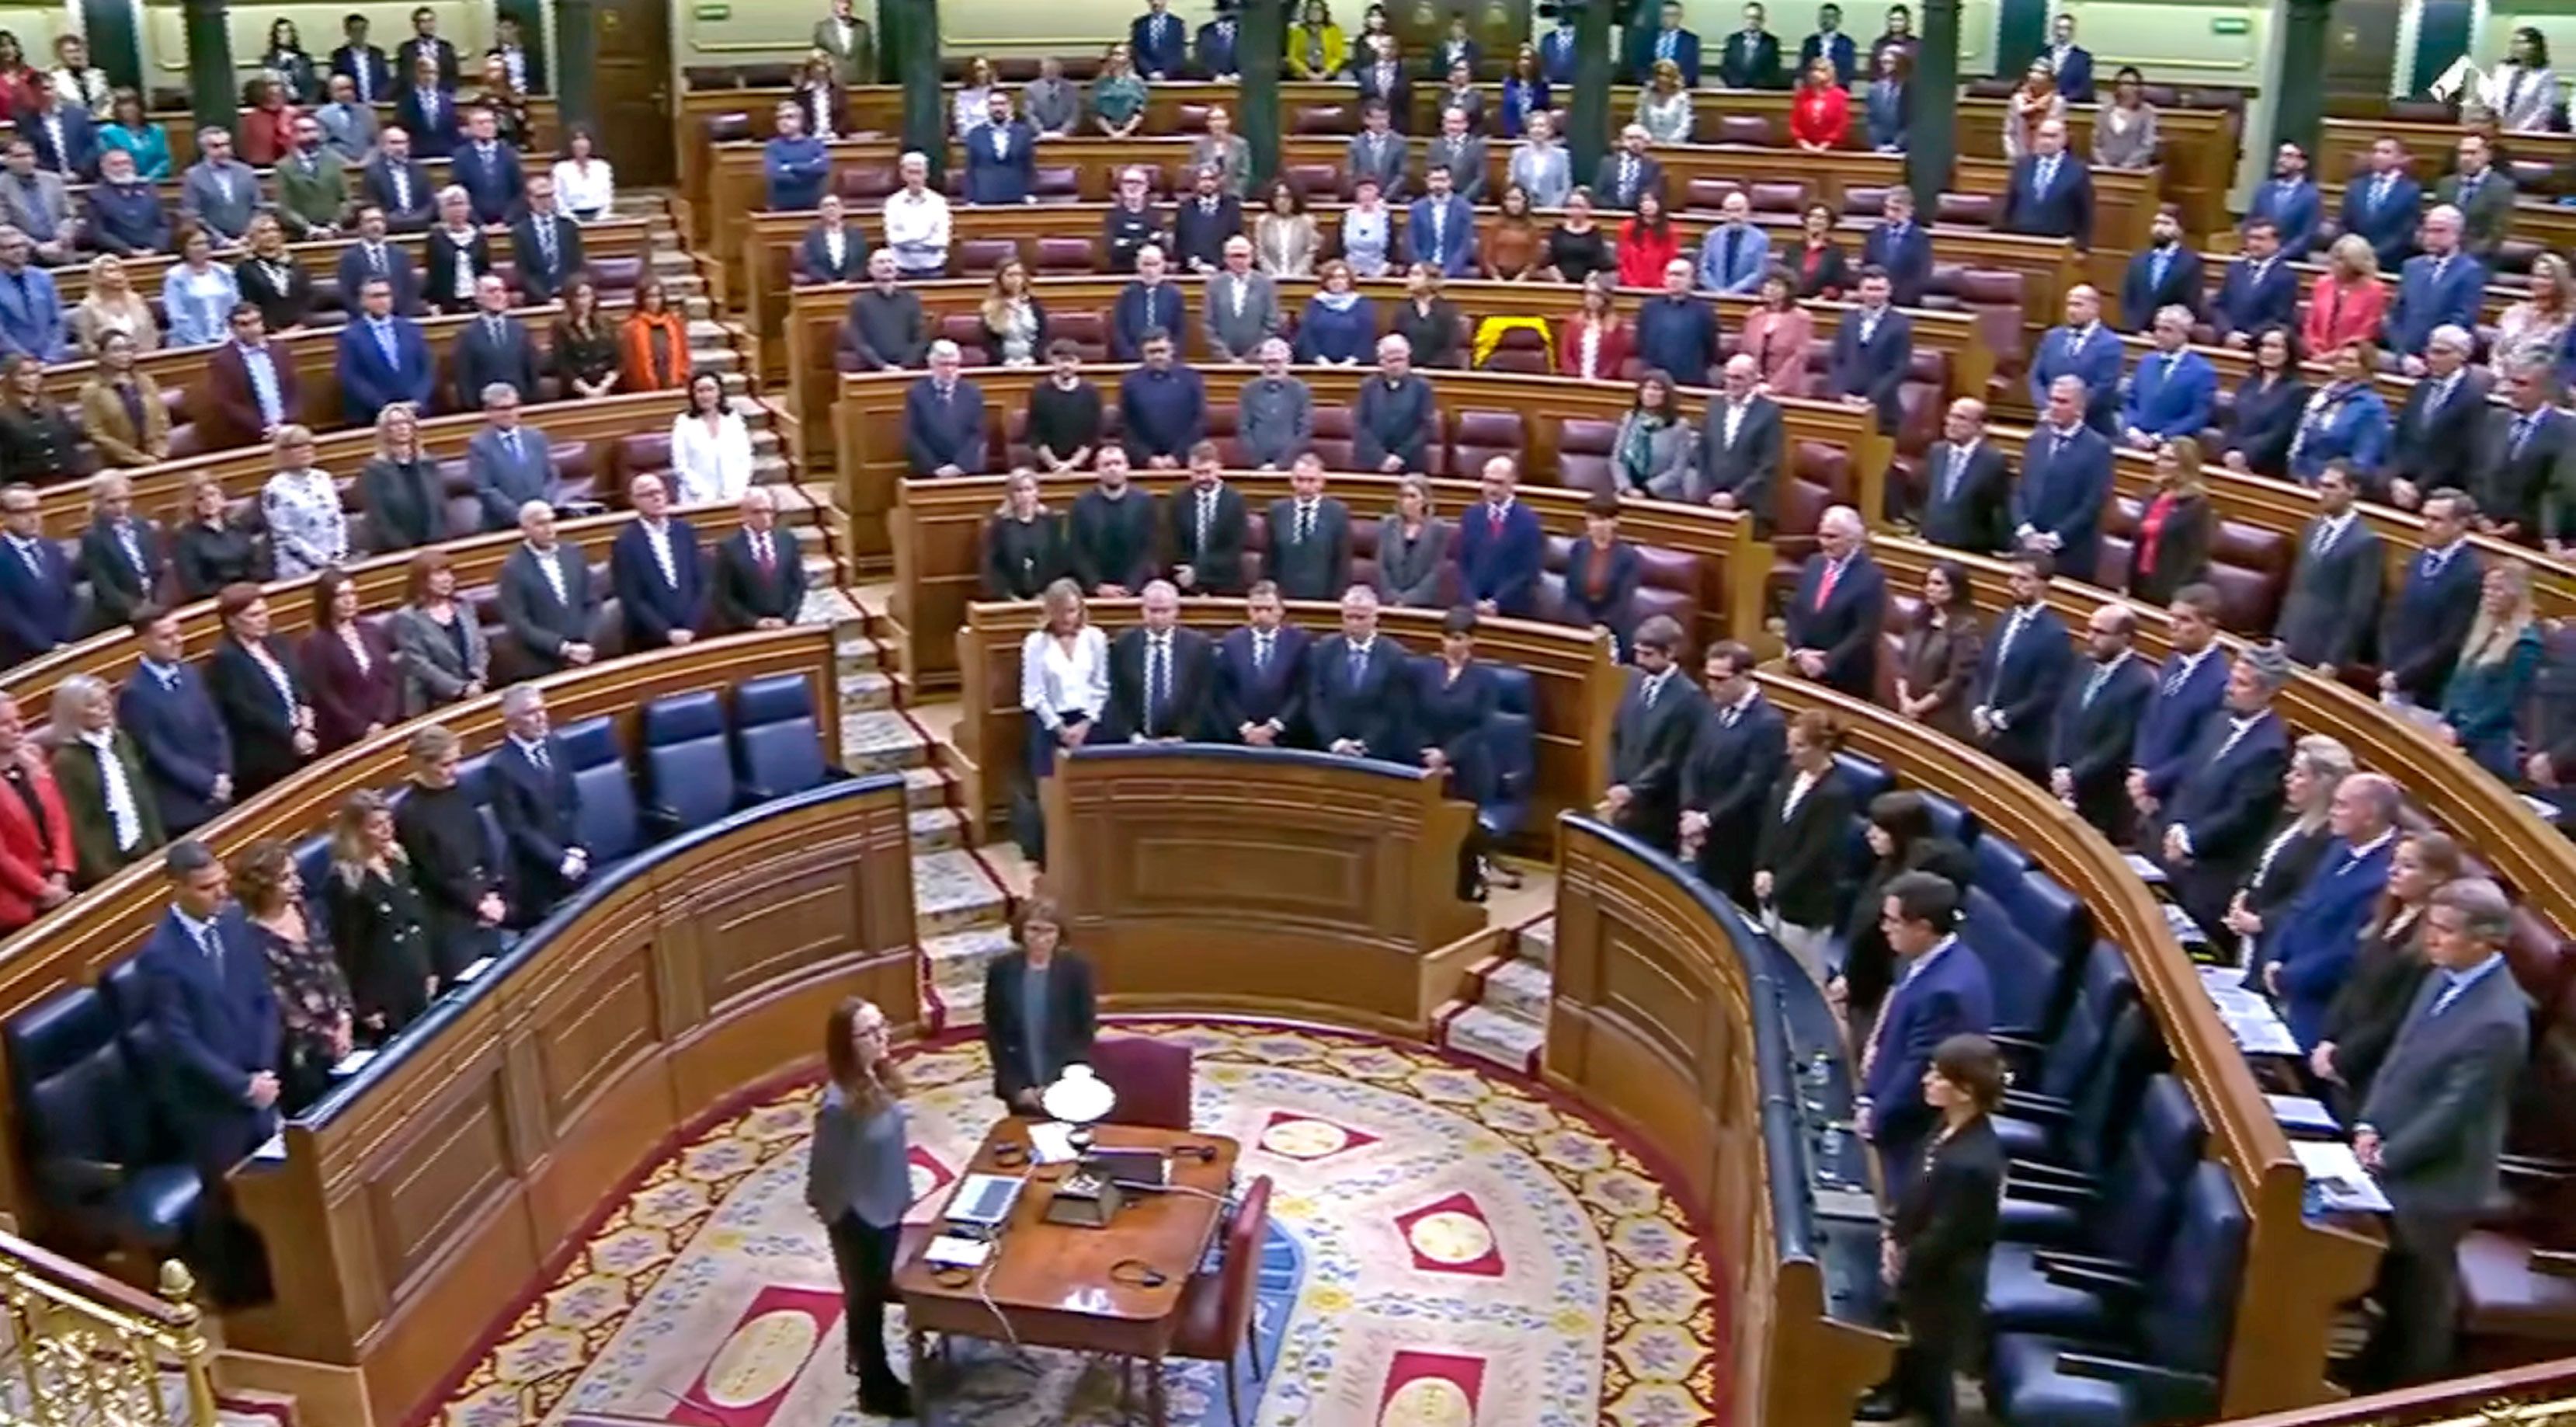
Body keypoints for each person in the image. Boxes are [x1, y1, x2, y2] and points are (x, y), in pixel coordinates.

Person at [2352, 877, 2529, 1389]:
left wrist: (2389, 1154)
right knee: (2389, 1286)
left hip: (2440, 1180)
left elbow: (2454, 1111)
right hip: (2395, 1151)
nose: (2430, 937)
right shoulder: (2442, 976)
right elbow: (2400, 1055)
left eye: (2445, 930)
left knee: (2420, 1301)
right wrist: (2369, 1122)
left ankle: (2414, 1398)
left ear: (2486, 940)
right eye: (2431, 924)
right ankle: (2369, 1377)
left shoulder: (2500, 1020)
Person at [1869, 1032, 2007, 1427]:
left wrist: (1905, 1262)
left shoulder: (1975, 1163)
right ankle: (1896, 1392)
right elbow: (1917, 1187)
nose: (1926, 1080)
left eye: (1938, 1076)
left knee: (1932, 1357)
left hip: (1946, 1280)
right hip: (1921, 1258)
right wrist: (1895, 1235)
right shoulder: (1945, 1126)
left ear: (1965, 1091)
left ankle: (1917, 1406)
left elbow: (1948, 1235)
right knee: (1907, 1334)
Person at [134, 839, 282, 1178]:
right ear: (177, 889)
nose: (221, 893)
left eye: (222, 882)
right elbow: (177, 1040)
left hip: (262, 1088)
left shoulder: (234, 920)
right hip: (213, 1107)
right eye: (206, 888)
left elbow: (263, 997)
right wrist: (242, 1086)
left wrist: (264, 1070)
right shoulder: (160, 956)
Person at [803, 997, 918, 1422]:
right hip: (859, 1219)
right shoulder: (836, 1108)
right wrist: (843, 1221)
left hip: (889, 1203)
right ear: (846, 1044)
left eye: (882, 1026)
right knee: (865, 1303)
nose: (882, 1036)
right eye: (869, 1032)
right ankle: (874, 1385)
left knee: (878, 1289)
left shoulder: (879, 1077)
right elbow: (823, 1174)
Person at [2311, 831, 2461, 1119]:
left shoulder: (2431, 943)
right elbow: (2353, 982)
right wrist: (2329, 1038)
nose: (2393, 871)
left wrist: (2343, 1059)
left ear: (2437, 877)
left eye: (2408, 866)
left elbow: (2396, 1018)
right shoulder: (2388, 914)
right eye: (2394, 862)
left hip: (2364, 1072)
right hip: (2338, 1048)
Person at [2157, 646, 2296, 945]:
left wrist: (2190, 841)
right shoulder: (2218, 721)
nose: (2230, 688)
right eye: (2232, 679)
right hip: (2176, 854)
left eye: (2242, 684)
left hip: (2213, 874)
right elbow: (2190, 777)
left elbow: (2242, 815)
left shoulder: (2271, 748)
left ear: (2267, 692)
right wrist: (2177, 829)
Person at [2267, 772, 2404, 1049]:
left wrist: (2289, 977)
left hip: (2315, 1005)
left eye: (2342, 805)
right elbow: (2302, 904)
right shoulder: (2340, 845)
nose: (2331, 811)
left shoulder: (2387, 873)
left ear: (2370, 815)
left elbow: (2348, 950)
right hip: (2282, 979)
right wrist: (2275, 957)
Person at [1832, 792, 1973, 1049]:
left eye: (1881, 829)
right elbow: (1863, 919)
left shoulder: (1921, 878)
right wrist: (1848, 973)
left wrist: (1851, 979)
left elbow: (1877, 934)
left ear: (1902, 832)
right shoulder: (1889, 863)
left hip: (1884, 982)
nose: (1870, 834)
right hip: (1866, 975)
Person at [231, 837, 355, 1112]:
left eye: (295, 874)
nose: (297, 883)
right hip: (301, 1056)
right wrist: (328, 1036)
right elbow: (284, 1007)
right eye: (286, 879)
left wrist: (344, 1016)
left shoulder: (302, 909)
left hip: (342, 1033)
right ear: (263, 888)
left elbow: (330, 964)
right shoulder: (251, 940)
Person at [388, 723, 505, 983]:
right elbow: (434, 874)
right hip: (451, 921)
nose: (454, 770)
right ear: (423, 764)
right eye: (445, 764)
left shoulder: (458, 791)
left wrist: (491, 892)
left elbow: (482, 842)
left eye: (456, 762)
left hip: (485, 904)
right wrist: (477, 903)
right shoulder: (410, 813)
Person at [1753, 709, 1858, 983]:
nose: (1790, 752)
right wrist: (1763, 868)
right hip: (1773, 891)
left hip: (1804, 902)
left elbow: (1815, 853)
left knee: (1801, 976)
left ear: (1823, 747)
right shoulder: (1791, 772)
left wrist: (1777, 885)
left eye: (1799, 746)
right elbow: (1772, 824)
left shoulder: (1835, 793)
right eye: (1790, 744)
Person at [1597, 614, 1704, 851]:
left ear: (1670, 652)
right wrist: (1615, 782)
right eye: (1638, 652)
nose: (1640, 660)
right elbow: (1617, 733)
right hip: (1624, 800)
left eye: (1648, 654)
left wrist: (1633, 790)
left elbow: (1671, 759)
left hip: (1657, 809)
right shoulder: (1635, 680)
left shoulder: (1689, 697)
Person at [983, 896, 1097, 1115]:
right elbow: (995, 1032)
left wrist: (1062, 1084)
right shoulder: (1001, 969)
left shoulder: (1076, 970)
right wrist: (1017, 1088)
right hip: (1019, 1083)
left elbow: (1084, 1031)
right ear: (1021, 931)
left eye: (1049, 931)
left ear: (1059, 934)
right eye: (1033, 929)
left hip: (1064, 1083)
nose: (1041, 938)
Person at [1969, 552, 2075, 785]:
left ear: (2044, 585)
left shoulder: (2055, 634)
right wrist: (1979, 707)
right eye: (2013, 577)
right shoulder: (2006, 618)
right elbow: (1986, 668)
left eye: (2023, 579)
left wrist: (2002, 718)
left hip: (2022, 745)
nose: (2014, 584)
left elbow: (2047, 693)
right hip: (1988, 735)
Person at [50, 673, 165, 886]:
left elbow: (142, 794)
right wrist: (104, 873)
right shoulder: (67, 761)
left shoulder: (120, 740)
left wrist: (159, 844)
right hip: (109, 864)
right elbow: (79, 825)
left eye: (106, 700)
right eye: (93, 705)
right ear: (73, 713)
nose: (105, 708)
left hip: (145, 847)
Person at [488, 682, 589, 919]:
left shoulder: (555, 745)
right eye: (530, 713)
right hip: (536, 879)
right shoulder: (500, 767)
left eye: (542, 709)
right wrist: (559, 860)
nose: (540, 718)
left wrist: (577, 848)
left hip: (574, 862)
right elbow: (517, 828)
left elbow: (572, 801)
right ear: (511, 722)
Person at [207, 584, 317, 796]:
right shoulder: (225, 660)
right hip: (265, 759)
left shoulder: (277, 641)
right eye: (254, 615)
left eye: (264, 612)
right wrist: (292, 734)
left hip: (302, 741)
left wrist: (305, 712)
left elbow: (297, 681)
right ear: (232, 621)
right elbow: (249, 712)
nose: (263, 619)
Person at [2275, 463, 2383, 673]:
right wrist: (2281, 635)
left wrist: (2334, 659)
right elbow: (2297, 586)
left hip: (2324, 651)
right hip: (2293, 640)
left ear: (2353, 491)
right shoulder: (2312, 528)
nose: (2323, 491)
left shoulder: (2365, 542)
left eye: (2331, 486)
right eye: (2321, 485)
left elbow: (2359, 608)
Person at [2380, 490, 2484, 709]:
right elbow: (2397, 614)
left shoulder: (2469, 573)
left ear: (2460, 524)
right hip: (2394, 676)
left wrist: (2404, 677)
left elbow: (2451, 642)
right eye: (2425, 517)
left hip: (2427, 693)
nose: (2426, 525)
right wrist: (2389, 664)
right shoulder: (2420, 558)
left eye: (2436, 520)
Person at [2439, 561, 2542, 779]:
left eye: (2498, 589)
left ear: (2516, 595)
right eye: (2486, 588)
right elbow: (2459, 680)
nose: (2489, 595)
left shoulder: (2526, 644)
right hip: (2457, 733)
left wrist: (2462, 735)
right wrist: (2447, 719)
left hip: (2490, 748)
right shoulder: (2485, 633)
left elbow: (2507, 705)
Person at [2013, 375, 2115, 581]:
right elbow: (2020, 491)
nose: (2053, 406)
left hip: (2070, 554)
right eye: (2051, 399)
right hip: (2027, 547)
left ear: (2080, 407)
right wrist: (2026, 531)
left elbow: (2092, 503)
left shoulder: (2098, 447)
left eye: (2062, 401)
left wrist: (2054, 539)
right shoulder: (2038, 439)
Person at [1785, 506, 1884, 696]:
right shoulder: (1814, 563)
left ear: (1853, 538)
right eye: (1822, 536)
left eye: (1832, 537)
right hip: (1802, 664)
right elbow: (1795, 610)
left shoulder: (1871, 576)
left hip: (1843, 676)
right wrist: (1799, 652)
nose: (1825, 543)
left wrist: (1827, 662)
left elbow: (1865, 631)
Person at [301, 568, 397, 753]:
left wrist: (383, 720)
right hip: (346, 738)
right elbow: (325, 696)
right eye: (341, 596)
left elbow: (389, 678)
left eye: (352, 593)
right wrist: (361, 729)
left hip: (385, 726)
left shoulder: (371, 630)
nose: (349, 600)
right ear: (327, 601)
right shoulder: (315, 643)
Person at [1310, 584, 1410, 757]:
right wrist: (1334, 741)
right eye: (1349, 617)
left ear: (1375, 618)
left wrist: (1365, 743)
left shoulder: (1393, 655)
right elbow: (1315, 700)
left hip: (1375, 751)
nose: (1354, 623)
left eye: (1361, 618)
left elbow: (1395, 707)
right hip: (1328, 748)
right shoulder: (1325, 649)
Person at [498, 501, 598, 672]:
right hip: (544, 662)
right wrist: (563, 648)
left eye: (551, 521)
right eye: (540, 524)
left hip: (586, 651)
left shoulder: (573, 553)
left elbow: (592, 602)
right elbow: (518, 623)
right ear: (524, 529)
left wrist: (587, 641)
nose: (549, 528)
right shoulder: (513, 569)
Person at [610, 474, 707, 653]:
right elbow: (632, 598)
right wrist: (667, 633)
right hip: (650, 642)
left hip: (693, 634)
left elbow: (701, 584)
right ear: (634, 501)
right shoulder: (625, 543)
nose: (657, 498)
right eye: (648, 494)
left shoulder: (684, 532)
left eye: (660, 492)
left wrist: (691, 626)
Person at [389, 550, 490, 716]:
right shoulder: (408, 618)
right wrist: (460, 689)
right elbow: (420, 664)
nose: (448, 579)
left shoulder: (464, 606)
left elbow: (480, 646)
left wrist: (478, 679)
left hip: (476, 690)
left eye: (449, 573)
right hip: (434, 703)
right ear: (422, 580)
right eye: (439, 574)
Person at [0, 691, 69, 931]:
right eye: (5, 724)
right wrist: (43, 890)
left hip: (59, 883)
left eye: (18, 719)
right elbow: (2, 857)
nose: (18, 728)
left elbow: (59, 822)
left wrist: (61, 872)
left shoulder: (33, 763)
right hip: (15, 904)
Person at [2385, 207, 2487, 367]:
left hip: (2441, 359)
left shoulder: (2470, 271)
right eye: (2427, 231)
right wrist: (2402, 355)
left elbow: (2462, 320)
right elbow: (2396, 316)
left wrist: (2432, 356)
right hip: (2407, 358)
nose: (2431, 237)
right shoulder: (2411, 266)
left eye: (2439, 231)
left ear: (2457, 234)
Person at [1896, 559, 1981, 743]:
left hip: (1941, 719)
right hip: (1907, 706)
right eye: (1928, 582)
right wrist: (1904, 699)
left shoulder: (1966, 628)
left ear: (1956, 589)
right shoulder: (1918, 619)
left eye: (1938, 583)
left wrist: (1919, 707)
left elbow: (1956, 680)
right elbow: (1902, 662)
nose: (1930, 588)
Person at [2126, 437, 2214, 604]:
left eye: (2169, 459)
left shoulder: (2196, 504)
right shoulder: (2152, 496)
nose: (2160, 463)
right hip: (2141, 582)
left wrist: (2179, 598)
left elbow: (2195, 558)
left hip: (2171, 591)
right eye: (2159, 458)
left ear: (2186, 464)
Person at [336, 276, 434, 426]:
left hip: (416, 411)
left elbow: (427, 368)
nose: (382, 301)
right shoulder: (351, 336)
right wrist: (386, 408)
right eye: (376, 296)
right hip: (374, 416)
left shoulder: (411, 329)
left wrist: (418, 400)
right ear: (363, 301)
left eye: (386, 295)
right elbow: (351, 377)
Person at [1458, 458, 1542, 619]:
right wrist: (1473, 601)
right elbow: (1462, 564)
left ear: (1513, 482)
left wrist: (1497, 603)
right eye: (1487, 481)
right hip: (1472, 608)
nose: (1492, 489)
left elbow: (1528, 572)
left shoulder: (1528, 520)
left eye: (1498, 483)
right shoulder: (1471, 516)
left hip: (1511, 611)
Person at [1828, 268, 1910, 434]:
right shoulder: (1848, 319)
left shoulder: (1900, 323)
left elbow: (1899, 367)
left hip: (1883, 408)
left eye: (1879, 289)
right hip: (1845, 403)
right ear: (1860, 291)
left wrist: (1870, 398)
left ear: (1889, 291)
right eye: (1869, 289)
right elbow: (1836, 360)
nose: (1874, 294)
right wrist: (1842, 393)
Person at [714, 486, 807, 632]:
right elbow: (723, 596)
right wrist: (754, 622)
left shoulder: (787, 540)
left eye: (769, 511)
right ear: (744, 514)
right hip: (747, 630)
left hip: (785, 626)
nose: (765, 517)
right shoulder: (729, 548)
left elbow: (798, 584)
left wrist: (787, 618)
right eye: (757, 512)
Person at [2223, 327, 2311, 479]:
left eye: (2274, 346)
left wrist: (2245, 455)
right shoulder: (2248, 383)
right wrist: (2230, 450)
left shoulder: (2297, 390)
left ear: (2289, 352)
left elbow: (2280, 434)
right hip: (2232, 459)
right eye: (2263, 345)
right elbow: (2232, 421)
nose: (2267, 351)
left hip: (2267, 467)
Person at [1266, 455, 1352, 601]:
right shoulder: (1277, 510)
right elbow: (1270, 558)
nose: (1305, 487)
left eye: (1312, 480)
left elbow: (1342, 561)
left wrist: (1335, 600)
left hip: (1324, 596)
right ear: (1292, 481)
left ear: (1322, 482)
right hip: (1284, 597)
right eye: (1300, 480)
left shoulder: (1337, 512)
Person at [1068, 451, 1155, 596]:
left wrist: (1131, 587)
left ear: (1127, 467)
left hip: (1138, 588)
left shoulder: (1144, 502)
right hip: (1092, 589)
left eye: (1117, 463)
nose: (1113, 469)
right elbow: (1077, 550)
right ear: (1097, 469)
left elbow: (1150, 549)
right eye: (1106, 464)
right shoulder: (1082, 504)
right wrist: (1096, 586)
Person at [1166, 444, 1247, 594]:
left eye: (1207, 472)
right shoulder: (1179, 500)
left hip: (1225, 582)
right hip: (1185, 582)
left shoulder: (1235, 501)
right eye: (1197, 473)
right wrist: (1184, 572)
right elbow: (1173, 544)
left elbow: (1234, 549)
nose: (1202, 478)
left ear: (1219, 468)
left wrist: (1198, 572)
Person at [1118, 330, 1205, 468]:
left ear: (1172, 350)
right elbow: (1126, 426)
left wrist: (1178, 456)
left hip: (1185, 462)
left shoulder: (1191, 379)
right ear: (1143, 353)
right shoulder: (1130, 382)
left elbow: (1199, 421)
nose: (1157, 356)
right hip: (1143, 464)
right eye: (1152, 352)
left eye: (1162, 351)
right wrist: (1147, 458)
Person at [172, 473, 264, 600]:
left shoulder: (237, 527)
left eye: (212, 495)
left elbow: (255, 566)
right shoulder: (186, 538)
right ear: (193, 505)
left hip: (250, 593)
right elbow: (195, 586)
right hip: (216, 600)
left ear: (222, 497)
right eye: (200, 499)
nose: (209, 501)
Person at [2211, 219, 2299, 346]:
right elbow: (2218, 305)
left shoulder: (2286, 276)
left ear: (2276, 243)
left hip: (2258, 341)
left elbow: (2280, 317)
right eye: (2251, 238)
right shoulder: (2235, 269)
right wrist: (2228, 332)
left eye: (2260, 239)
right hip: (2227, 337)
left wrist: (2249, 337)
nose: (2254, 244)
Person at [670, 373, 754, 507]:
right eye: (700, 391)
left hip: (735, 494)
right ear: (693, 395)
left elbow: (746, 458)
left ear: (719, 392)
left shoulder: (733, 419)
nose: (706, 395)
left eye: (710, 389)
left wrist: (737, 490)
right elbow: (681, 465)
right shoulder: (683, 422)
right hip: (697, 498)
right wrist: (704, 494)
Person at [1353, 334, 1434, 472]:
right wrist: (1381, 458)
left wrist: (1399, 456)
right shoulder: (1368, 386)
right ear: (1381, 361)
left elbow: (1425, 427)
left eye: (1400, 360)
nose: (1396, 366)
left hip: (1410, 465)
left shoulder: (1421, 387)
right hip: (1373, 464)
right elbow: (1360, 425)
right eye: (1391, 360)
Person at [982, 470, 1068, 600]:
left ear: (1037, 492)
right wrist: (1009, 595)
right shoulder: (1000, 524)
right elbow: (992, 566)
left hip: (1046, 597)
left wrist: (1046, 594)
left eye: (1028, 489)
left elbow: (1058, 561)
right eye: (1019, 490)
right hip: (1009, 598)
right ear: (1011, 494)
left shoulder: (1050, 521)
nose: (1024, 495)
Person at [1636, 256, 1719, 386]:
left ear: (1692, 280)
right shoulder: (1649, 308)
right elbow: (1642, 343)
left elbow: (1710, 349)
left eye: (1680, 275)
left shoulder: (1704, 311)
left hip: (1691, 382)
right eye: (1670, 275)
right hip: (1655, 382)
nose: (1674, 279)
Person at [1237, 339, 1313, 472]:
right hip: (1256, 466)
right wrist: (1259, 463)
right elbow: (1244, 429)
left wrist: (1282, 464)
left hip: (1291, 467)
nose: (1272, 368)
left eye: (1277, 362)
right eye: (1268, 362)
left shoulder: (1300, 390)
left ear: (1288, 362)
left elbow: (1304, 431)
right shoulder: (1249, 390)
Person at [1376, 475, 1451, 609]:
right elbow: (1381, 567)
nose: (1407, 501)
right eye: (1403, 496)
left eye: (1412, 496)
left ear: (1425, 500)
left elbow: (1436, 572)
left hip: (1422, 604)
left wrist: (1409, 600)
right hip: (1389, 602)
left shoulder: (1438, 529)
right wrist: (1392, 597)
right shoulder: (1388, 525)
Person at [335, 211, 419, 325]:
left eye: (380, 220)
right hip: (364, 322)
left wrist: (402, 318)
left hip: (400, 320)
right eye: (370, 221)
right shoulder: (349, 257)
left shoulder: (400, 254)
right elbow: (347, 294)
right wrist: (366, 319)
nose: (376, 225)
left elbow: (410, 288)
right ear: (359, 227)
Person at [509, 176, 584, 304]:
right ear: (530, 199)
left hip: (569, 296)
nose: (545, 202)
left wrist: (568, 294)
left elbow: (576, 265)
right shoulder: (521, 231)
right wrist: (546, 299)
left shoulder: (568, 227)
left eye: (549, 196)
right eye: (540, 197)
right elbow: (524, 273)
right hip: (537, 299)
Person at [86, 148, 169, 260]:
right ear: (104, 168)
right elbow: (98, 232)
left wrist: (155, 248)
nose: (123, 168)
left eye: (126, 163)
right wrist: (128, 251)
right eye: (116, 164)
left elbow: (163, 225)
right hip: (117, 257)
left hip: (155, 253)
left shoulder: (149, 190)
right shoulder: (97, 195)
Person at [71, 255, 160, 356]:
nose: (118, 274)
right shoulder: (88, 306)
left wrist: (148, 353)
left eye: (120, 270)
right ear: (98, 278)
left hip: (144, 356)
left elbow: (152, 333)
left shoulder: (136, 300)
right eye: (111, 271)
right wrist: (113, 357)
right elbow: (87, 344)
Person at [962, 90, 1038, 207]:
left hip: (1016, 197)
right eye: (993, 104)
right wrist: (971, 198)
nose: (998, 108)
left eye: (1002, 104)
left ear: (1010, 107)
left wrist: (1030, 193)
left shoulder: (1023, 133)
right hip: (985, 197)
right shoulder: (975, 134)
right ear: (987, 108)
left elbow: (1029, 167)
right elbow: (971, 168)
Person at [882, 151, 951, 279]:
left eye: (919, 172)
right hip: (902, 269)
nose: (915, 178)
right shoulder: (893, 203)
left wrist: (909, 240)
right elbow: (894, 239)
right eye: (910, 172)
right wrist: (924, 238)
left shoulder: (939, 202)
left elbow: (941, 241)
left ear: (926, 174)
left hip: (933, 268)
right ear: (903, 174)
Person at [361, 126, 436, 231]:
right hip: (388, 227)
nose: (400, 148)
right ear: (383, 146)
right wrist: (392, 220)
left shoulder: (419, 170)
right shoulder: (373, 173)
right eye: (394, 143)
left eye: (403, 143)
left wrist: (419, 218)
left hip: (420, 224)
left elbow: (430, 202)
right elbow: (372, 204)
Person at [1698, 192, 1770, 297]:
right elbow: (1704, 270)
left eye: (1738, 210)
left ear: (1748, 211)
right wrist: (1718, 292)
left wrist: (1732, 292)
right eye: (1729, 211)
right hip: (1714, 295)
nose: (1734, 215)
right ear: (1723, 212)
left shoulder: (1760, 239)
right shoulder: (1712, 236)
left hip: (1744, 297)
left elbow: (1758, 273)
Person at [1557, 274, 1629, 380]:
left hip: (1604, 383)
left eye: (1597, 294)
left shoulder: (1615, 325)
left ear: (1606, 298)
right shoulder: (1574, 322)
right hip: (1574, 382)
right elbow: (1566, 355)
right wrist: (1574, 377)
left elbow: (1616, 360)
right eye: (1589, 294)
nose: (1592, 299)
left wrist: (1601, 380)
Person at [760, 101, 829, 211]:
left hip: (813, 205)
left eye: (789, 117)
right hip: (782, 206)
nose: (783, 122)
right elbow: (775, 174)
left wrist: (790, 167)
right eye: (779, 118)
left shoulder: (815, 144)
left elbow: (821, 169)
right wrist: (808, 171)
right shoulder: (773, 146)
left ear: (801, 121)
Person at [2001, 57, 2065, 161]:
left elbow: (2058, 134)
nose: (2034, 76)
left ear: (2050, 79)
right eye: (2032, 71)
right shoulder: (2018, 100)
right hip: (2019, 155)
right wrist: (2012, 155)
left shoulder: (2057, 102)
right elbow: (2009, 131)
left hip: (2045, 158)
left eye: (2041, 73)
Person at [96, 89, 169, 179]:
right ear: (117, 109)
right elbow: (107, 163)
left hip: (155, 182)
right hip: (122, 182)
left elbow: (164, 161)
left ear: (140, 107)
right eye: (123, 105)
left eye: (132, 104)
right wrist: (131, 179)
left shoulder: (157, 131)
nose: (128, 108)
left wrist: (149, 178)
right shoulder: (108, 133)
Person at [1788, 204, 1852, 301]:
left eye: (1821, 218)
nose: (1816, 220)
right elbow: (1783, 277)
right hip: (1792, 301)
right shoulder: (1792, 249)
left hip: (1820, 302)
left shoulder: (1836, 252)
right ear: (1806, 221)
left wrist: (1823, 297)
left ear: (1829, 223)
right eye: (1812, 216)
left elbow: (1838, 284)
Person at [1597, 124, 1667, 212]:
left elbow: (1655, 193)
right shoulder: (1607, 163)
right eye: (1630, 138)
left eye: (1639, 138)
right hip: (1611, 211)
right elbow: (1598, 193)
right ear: (1622, 141)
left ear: (1646, 142)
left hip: (1639, 214)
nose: (1635, 142)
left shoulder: (1653, 165)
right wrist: (1612, 209)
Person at [1483, 185, 1543, 282]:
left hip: (1523, 280)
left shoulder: (1532, 228)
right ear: (1505, 202)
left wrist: (1522, 277)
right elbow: (1487, 258)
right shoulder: (1494, 227)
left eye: (1517, 199)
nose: (1514, 204)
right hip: (1496, 279)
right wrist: (1496, 277)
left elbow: (1534, 260)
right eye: (1511, 199)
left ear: (1524, 202)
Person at [1091, 42, 1149, 139]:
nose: (1115, 58)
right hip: (1105, 133)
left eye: (1119, 54)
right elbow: (1095, 112)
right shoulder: (1101, 83)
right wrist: (1112, 133)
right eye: (1113, 54)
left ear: (1129, 58)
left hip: (1132, 132)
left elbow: (1140, 112)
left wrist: (1125, 131)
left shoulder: (1137, 82)